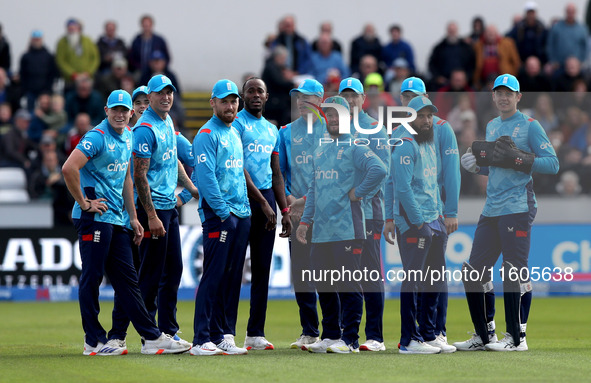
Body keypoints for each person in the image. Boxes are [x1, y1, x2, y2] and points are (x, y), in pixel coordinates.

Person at [61, 89, 191, 356]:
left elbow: (127, 179)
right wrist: (85, 204)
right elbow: (68, 168)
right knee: (93, 277)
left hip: (117, 219)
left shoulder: (129, 135)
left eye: (124, 110)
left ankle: (151, 337)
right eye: (115, 110)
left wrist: (133, 216)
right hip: (93, 218)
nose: (120, 114)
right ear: (106, 111)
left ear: (131, 113)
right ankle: (93, 340)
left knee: (128, 280)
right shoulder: (96, 137)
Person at [455, 74, 559, 351]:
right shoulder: (491, 125)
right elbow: (497, 164)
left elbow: (552, 164)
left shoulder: (530, 126)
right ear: (493, 96)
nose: (503, 97)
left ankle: (516, 338)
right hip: (492, 207)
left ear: (518, 97)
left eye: (509, 93)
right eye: (499, 92)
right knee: (474, 271)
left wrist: (520, 159)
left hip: (518, 205)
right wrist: (478, 167)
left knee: (514, 272)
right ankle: (484, 336)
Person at [296, 96, 387, 354]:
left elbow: (379, 169)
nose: (333, 119)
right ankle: (331, 334)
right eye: (330, 115)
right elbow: (313, 189)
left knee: (348, 284)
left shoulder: (355, 145)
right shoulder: (322, 149)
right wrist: (305, 222)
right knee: (324, 284)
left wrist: (359, 192)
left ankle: (350, 340)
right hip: (322, 230)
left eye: (338, 115)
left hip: (348, 228)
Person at [191, 79, 275, 356]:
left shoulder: (232, 133)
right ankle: (201, 338)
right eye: (224, 101)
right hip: (221, 216)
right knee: (213, 276)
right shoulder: (206, 134)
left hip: (242, 214)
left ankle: (222, 334)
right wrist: (223, 212)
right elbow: (206, 178)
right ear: (213, 103)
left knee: (231, 277)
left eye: (232, 101)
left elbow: (239, 174)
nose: (229, 106)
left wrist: (248, 210)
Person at [384, 76, 460, 352]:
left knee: (434, 278)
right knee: (415, 278)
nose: (426, 119)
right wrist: (397, 218)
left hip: (434, 217)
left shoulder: (432, 136)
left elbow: (444, 176)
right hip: (416, 221)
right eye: (420, 114)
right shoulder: (404, 140)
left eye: (429, 114)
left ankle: (430, 333)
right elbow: (397, 185)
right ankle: (410, 339)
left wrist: (444, 213)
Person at [132, 75, 199, 349]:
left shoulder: (167, 121)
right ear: (151, 96)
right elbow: (139, 175)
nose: (166, 97)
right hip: (154, 209)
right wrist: (150, 215)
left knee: (173, 270)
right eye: (161, 93)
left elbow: (174, 161)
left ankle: (168, 331)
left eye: (169, 93)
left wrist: (190, 187)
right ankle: (149, 335)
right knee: (151, 273)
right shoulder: (145, 128)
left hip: (169, 207)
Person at [226, 77, 292, 350]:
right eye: (250, 91)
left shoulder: (272, 130)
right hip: (242, 197)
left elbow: (276, 172)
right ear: (243, 97)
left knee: (262, 269)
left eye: (260, 91)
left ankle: (255, 332)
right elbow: (239, 166)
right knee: (234, 269)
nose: (255, 95)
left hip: (267, 199)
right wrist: (264, 205)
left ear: (266, 97)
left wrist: (283, 208)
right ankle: (227, 331)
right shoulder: (236, 125)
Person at [338, 78, 390, 352]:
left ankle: (376, 337)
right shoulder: (335, 129)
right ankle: (348, 335)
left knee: (370, 273)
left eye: (353, 95)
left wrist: (358, 192)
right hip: (341, 215)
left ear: (362, 99)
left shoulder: (374, 129)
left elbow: (384, 171)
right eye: (344, 95)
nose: (349, 100)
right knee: (346, 275)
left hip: (369, 212)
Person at [278, 79, 325, 350]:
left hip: (328, 214)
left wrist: (308, 199)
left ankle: (336, 329)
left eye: (307, 97)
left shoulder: (332, 130)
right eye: (298, 97)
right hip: (297, 214)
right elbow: (280, 174)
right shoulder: (286, 133)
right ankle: (309, 330)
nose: (301, 102)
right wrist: (290, 201)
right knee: (303, 274)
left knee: (330, 274)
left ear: (320, 99)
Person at [55, 18, 100, 91]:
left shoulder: (88, 41)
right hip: (70, 81)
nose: (72, 29)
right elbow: (61, 61)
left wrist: (88, 73)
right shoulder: (62, 43)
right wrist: (73, 75)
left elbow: (95, 58)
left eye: (74, 27)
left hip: (87, 80)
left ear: (79, 28)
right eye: (70, 28)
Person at [428, 22, 475, 89]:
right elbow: (432, 64)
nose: (452, 33)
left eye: (453, 31)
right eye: (450, 31)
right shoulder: (439, 48)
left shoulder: (466, 48)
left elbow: (472, 64)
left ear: (457, 31)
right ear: (447, 31)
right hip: (443, 83)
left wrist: (466, 77)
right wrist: (438, 77)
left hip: (463, 83)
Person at [19, 30, 58, 111]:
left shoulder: (48, 56)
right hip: (30, 91)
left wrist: (48, 89)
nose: (36, 41)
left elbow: (52, 74)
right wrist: (25, 89)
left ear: (42, 40)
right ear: (31, 40)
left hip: (45, 91)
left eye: (38, 39)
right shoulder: (25, 56)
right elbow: (22, 74)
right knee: (30, 113)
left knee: (46, 113)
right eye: (35, 39)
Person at [546, 3, 588, 73]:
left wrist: (582, 61)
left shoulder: (582, 29)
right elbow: (550, 45)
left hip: (577, 67)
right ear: (565, 12)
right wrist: (553, 60)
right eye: (569, 12)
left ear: (575, 12)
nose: (570, 14)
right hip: (559, 66)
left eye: (572, 12)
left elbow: (585, 47)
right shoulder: (556, 28)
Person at [261, 46, 295, 126]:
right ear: (277, 57)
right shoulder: (271, 67)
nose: (284, 61)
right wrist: (292, 83)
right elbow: (279, 82)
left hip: (275, 102)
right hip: (274, 103)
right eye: (283, 58)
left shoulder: (276, 67)